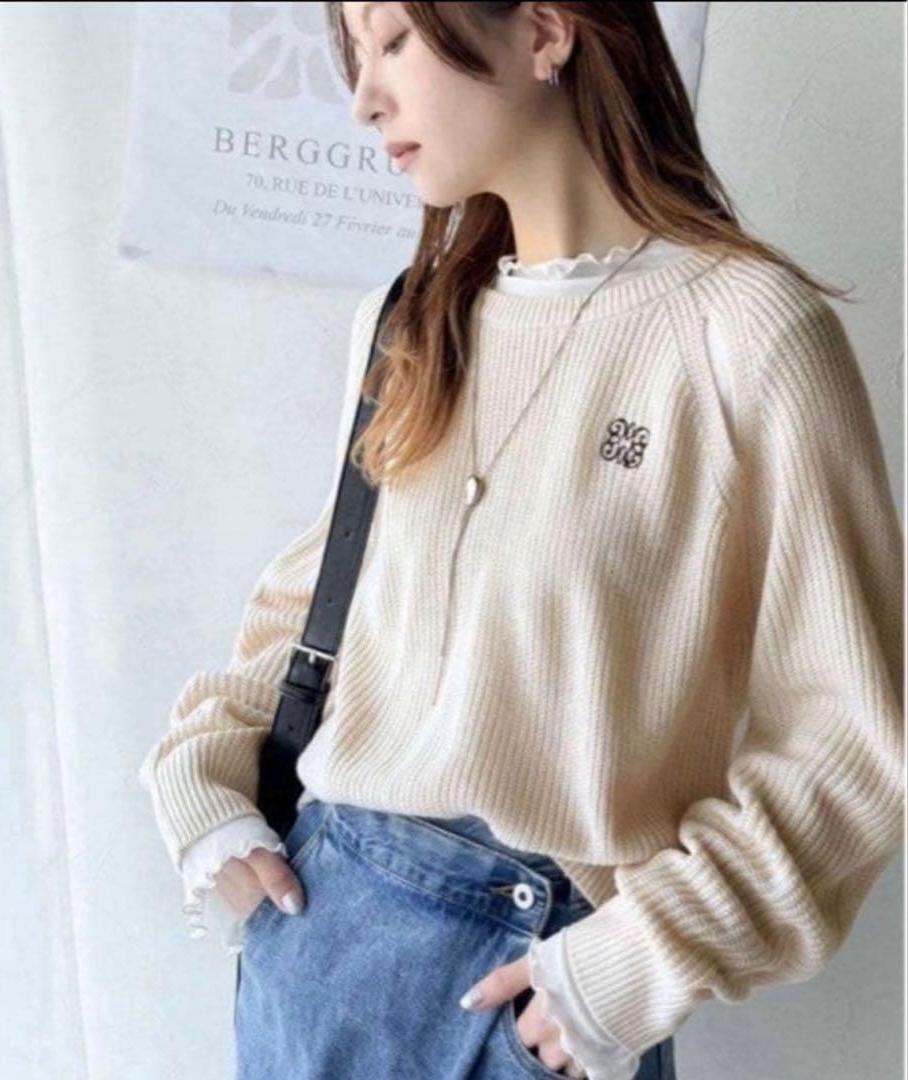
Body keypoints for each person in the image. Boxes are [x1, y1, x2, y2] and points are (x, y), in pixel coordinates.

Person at [137, 4, 905, 1079]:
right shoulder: (410, 325)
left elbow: (850, 734)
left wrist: (640, 959)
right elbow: (322, 607)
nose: (365, 99)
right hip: (318, 933)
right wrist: (202, 778)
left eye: (393, 40)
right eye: (357, 54)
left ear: (544, 31)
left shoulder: (747, 333)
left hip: (546, 985)